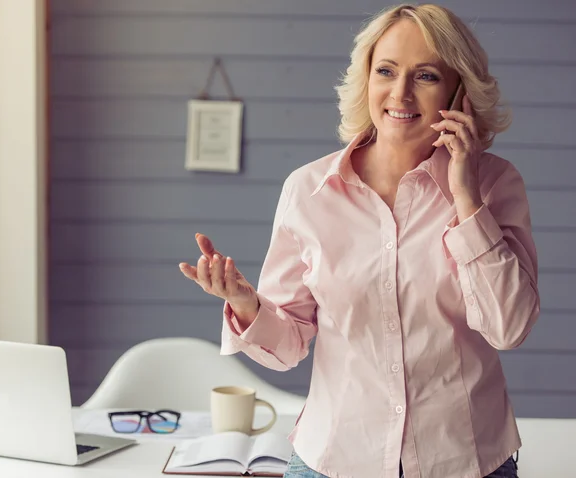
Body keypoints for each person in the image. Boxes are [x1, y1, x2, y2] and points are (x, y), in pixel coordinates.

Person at [179, 3, 540, 478]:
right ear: (366, 79)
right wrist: (246, 303)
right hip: (334, 460)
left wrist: (466, 197)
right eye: (386, 70)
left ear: (460, 93)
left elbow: (509, 328)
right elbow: (288, 346)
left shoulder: (495, 185)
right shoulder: (307, 191)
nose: (401, 92)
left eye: (426, 75)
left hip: (465, 462)